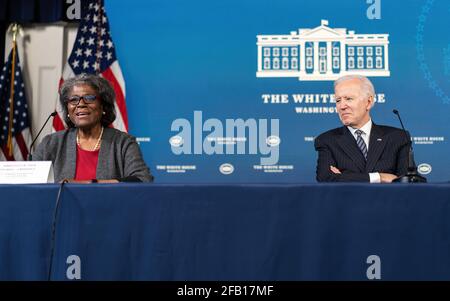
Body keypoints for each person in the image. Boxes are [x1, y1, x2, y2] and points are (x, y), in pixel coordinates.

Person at [33, 73, 153, 183]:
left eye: (89, 98)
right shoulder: (50, 143)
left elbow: (143, 178)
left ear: (103, 106)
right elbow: (31, 184)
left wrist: (91, 184)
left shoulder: (123, 142)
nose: (80, 104)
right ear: (68, 110)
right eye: (74, 100)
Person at [314, 75, 410, 183]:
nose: (342, 106)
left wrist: (345, 177)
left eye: (348, 99)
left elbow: (407, 181)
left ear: (368, 102)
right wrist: (379, 177)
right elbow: (326, 178)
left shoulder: (398, 138)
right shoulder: (327, 141)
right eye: (338, 100)